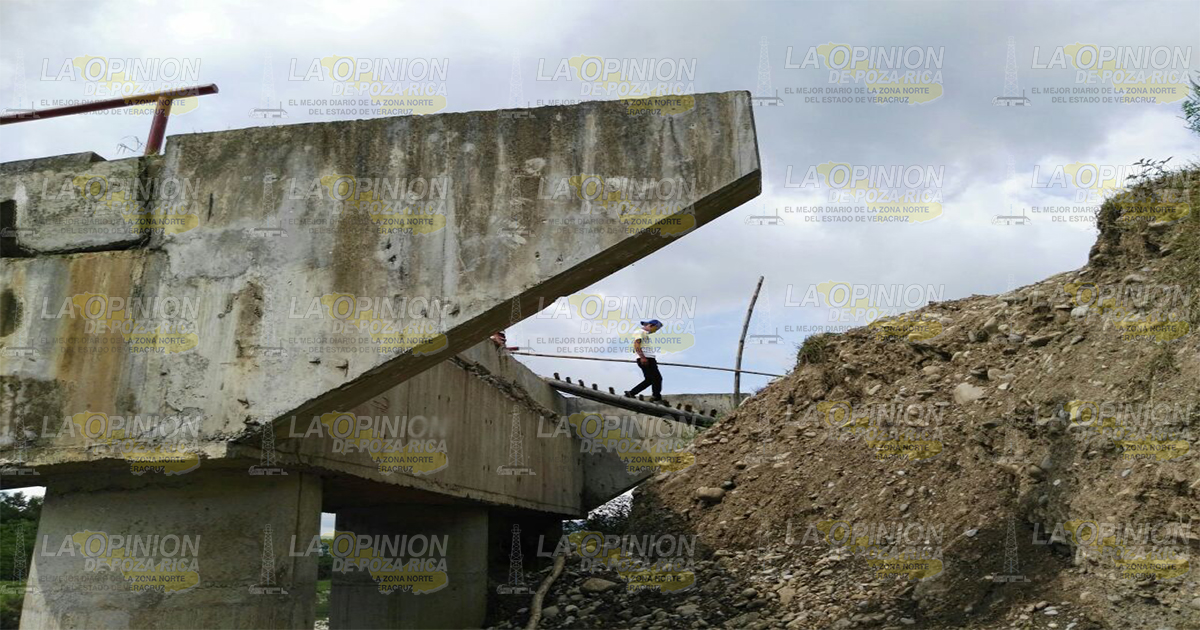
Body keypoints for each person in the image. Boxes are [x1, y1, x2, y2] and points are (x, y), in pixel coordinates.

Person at [625, 319, 664, 403]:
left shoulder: (644, 334)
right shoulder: (640, 332)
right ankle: (656, 397)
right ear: (651, 325)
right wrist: (642, 357)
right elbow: (636, 344)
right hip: (646, 358)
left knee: (649, 380)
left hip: (647, 358)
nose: (655, 331)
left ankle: (631, 393)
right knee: (657, 378)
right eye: (655, 329)